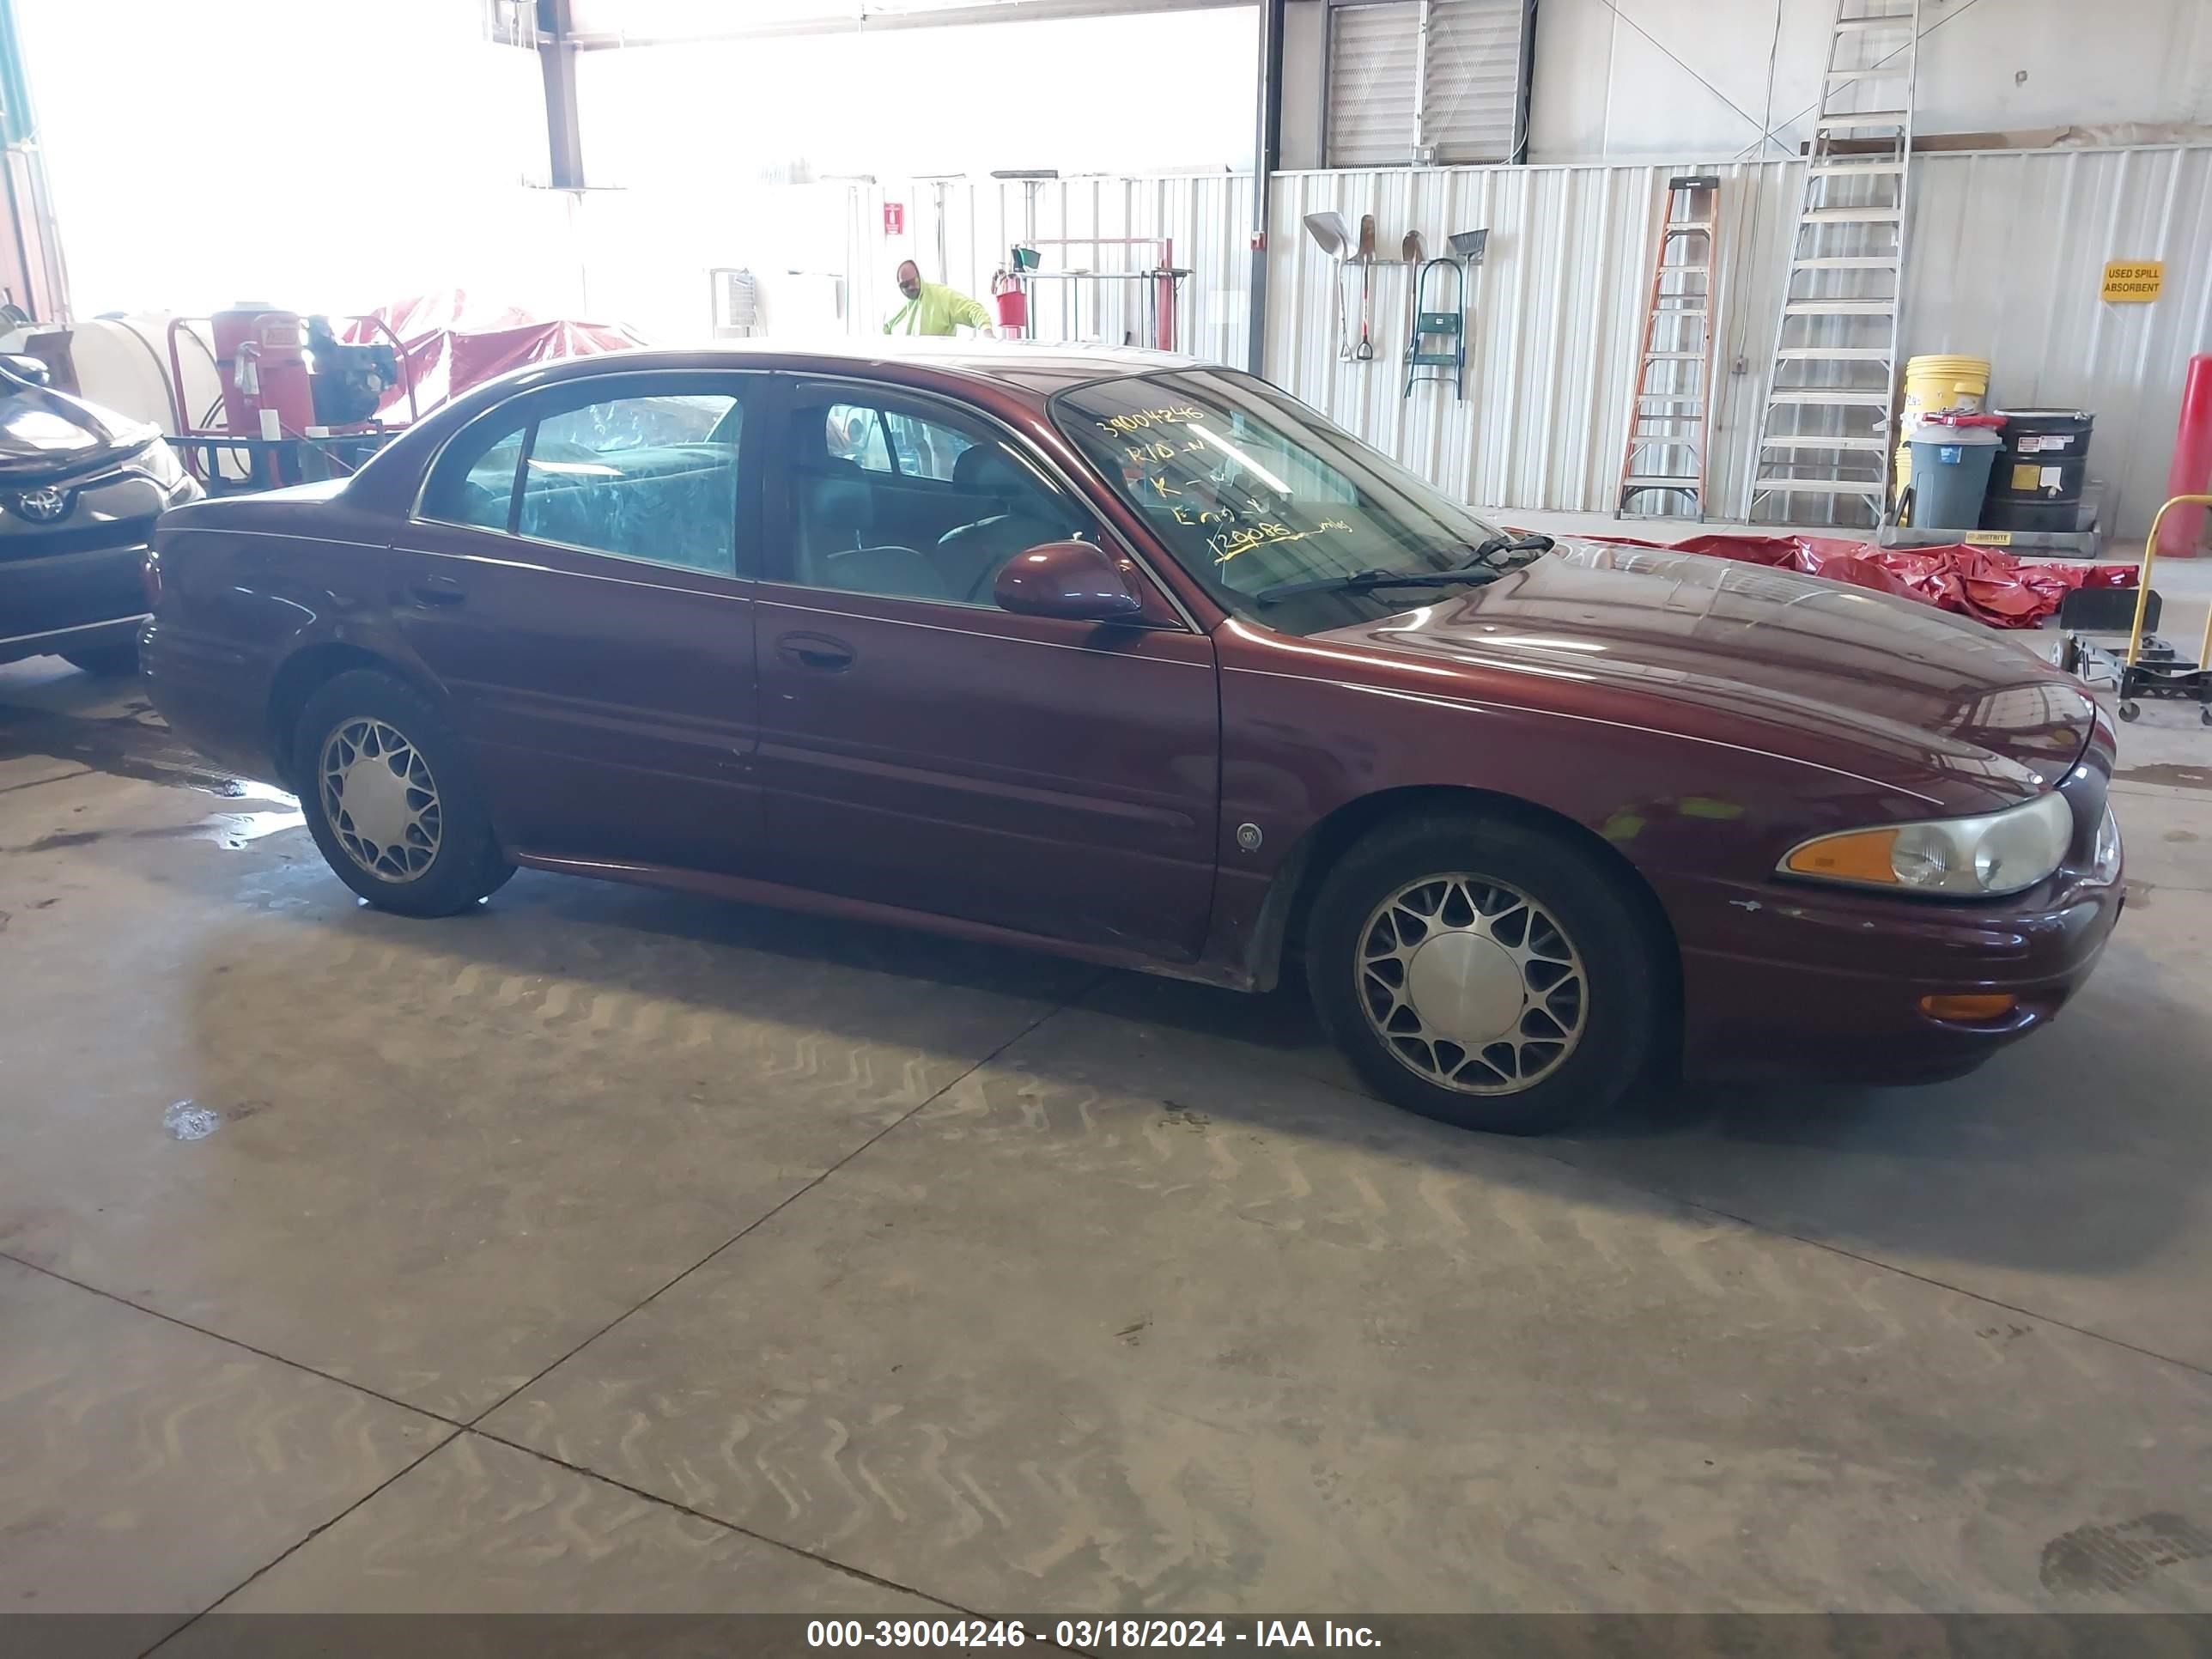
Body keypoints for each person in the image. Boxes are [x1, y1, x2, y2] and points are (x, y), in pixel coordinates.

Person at [883, 260, 995, 337]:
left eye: (914, 281)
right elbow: (885, 336)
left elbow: (973, 309)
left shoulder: (941, 296)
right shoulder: (895, 308)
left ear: (919, 277)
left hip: (938, 368)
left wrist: (987, 332)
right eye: (905, 285)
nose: (912, 287)